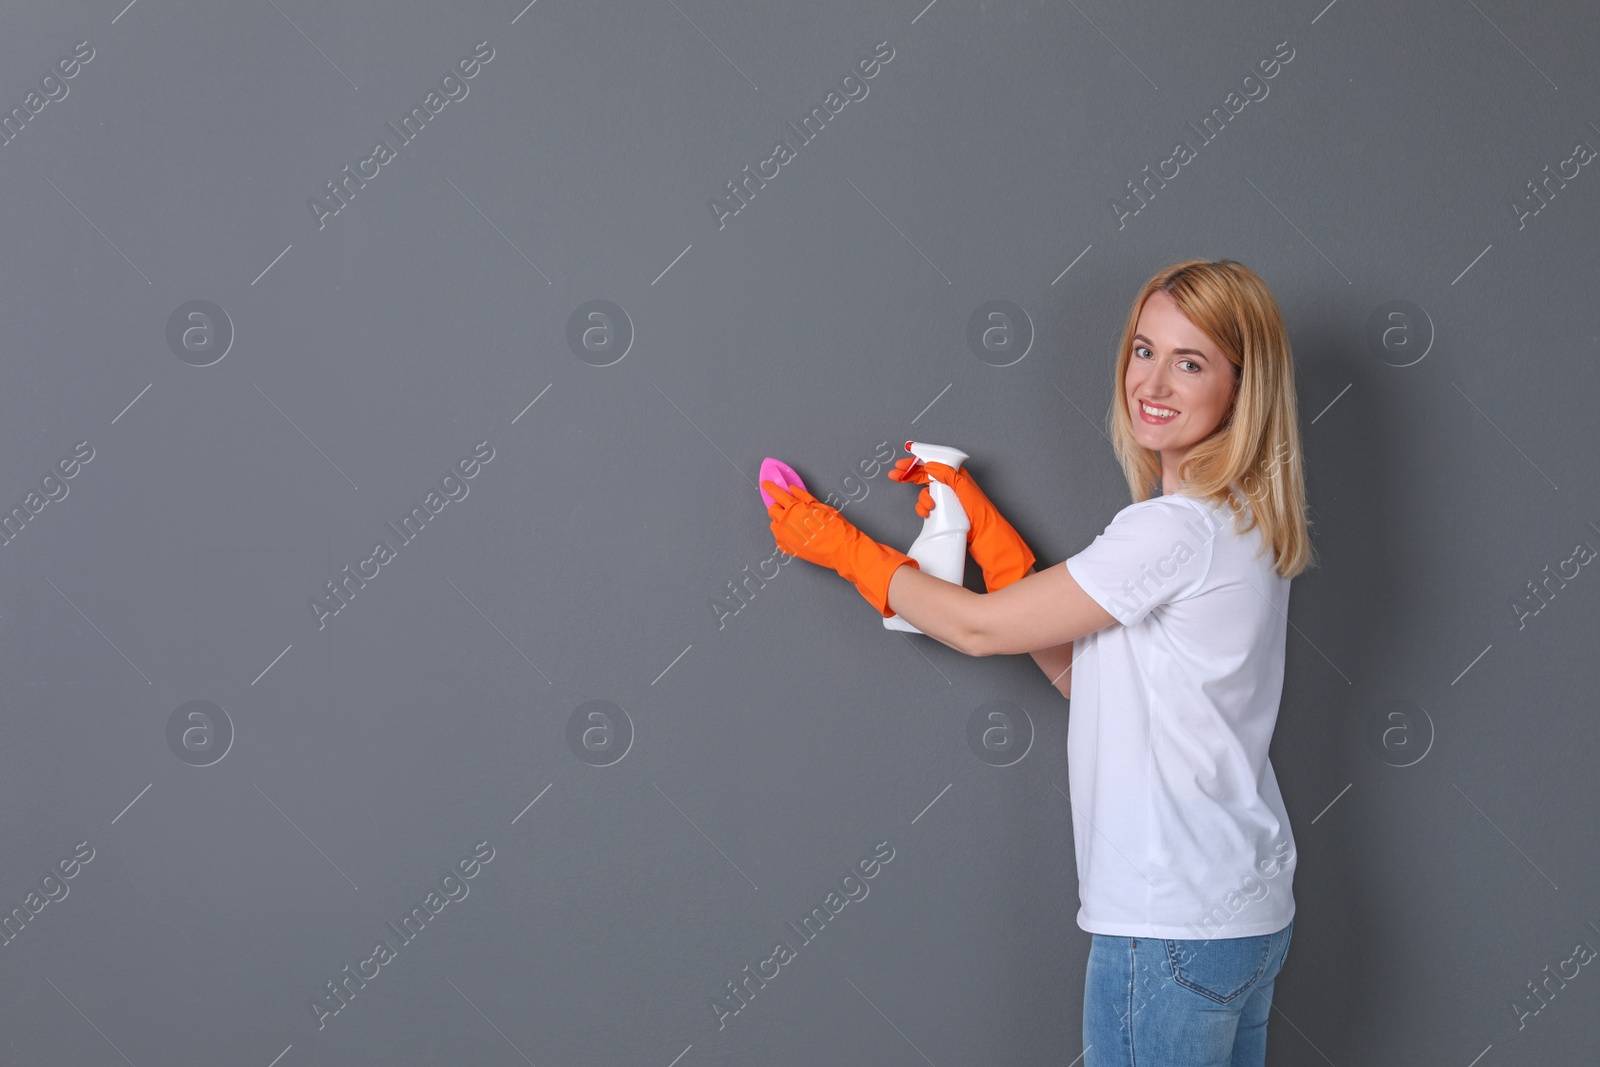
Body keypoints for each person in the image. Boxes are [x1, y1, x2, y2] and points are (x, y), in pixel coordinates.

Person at [760, 259, 1317, 1067]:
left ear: (1243, 384)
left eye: (1190, 362)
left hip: (1166, 926)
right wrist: (988, 533)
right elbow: (1090, 675)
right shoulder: (1241, 522)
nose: (1152, 382)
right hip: (1242, 918)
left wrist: (843, 548)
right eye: (1143, 349)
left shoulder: (1172, 531)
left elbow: (981, 631)